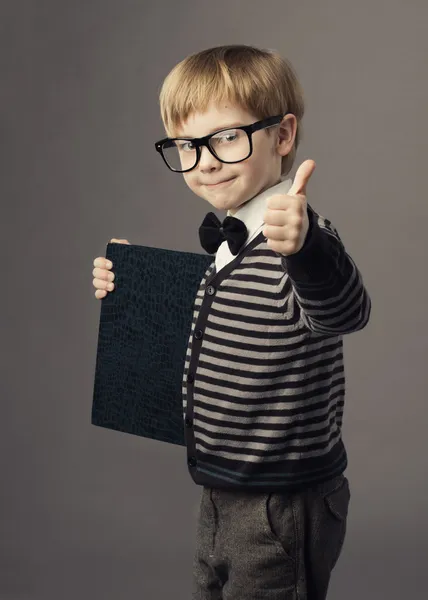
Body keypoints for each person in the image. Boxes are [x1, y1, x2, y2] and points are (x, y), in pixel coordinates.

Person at [92, 45, 371, 600]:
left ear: (282, 137)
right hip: (220, 485)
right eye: (187, 147)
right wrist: (132, 283)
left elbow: (344, 310)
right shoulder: (227, 248)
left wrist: (307, 246)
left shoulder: (299, 241)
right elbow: (211, 329)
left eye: (226, 138)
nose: (206, 162)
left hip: (282, 499)